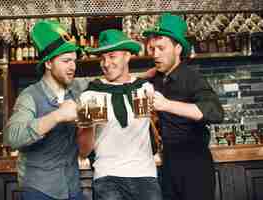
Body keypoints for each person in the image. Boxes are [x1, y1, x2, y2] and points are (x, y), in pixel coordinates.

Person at [142, 13, 224, 200]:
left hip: (194, 166)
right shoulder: (157, 78)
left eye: (161, 48)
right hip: (168, 166)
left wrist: (167, 105)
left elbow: (215, 112)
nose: (155, 54)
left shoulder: (191, 77)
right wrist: (145, 75)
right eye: (152, 48)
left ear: (178, 48)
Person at [3, 20, 85, 200]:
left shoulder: (77, 89)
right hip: (40, 190)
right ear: (48, 63)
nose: (73, 66)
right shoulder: (30, 96)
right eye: (66, 61)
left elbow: (104, 82)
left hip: (72, 188)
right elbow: (12, 137)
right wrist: (57, 116)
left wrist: (142, 75)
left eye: (74, 60)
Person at [77, 29, 162, 200]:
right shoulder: (93, 94)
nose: (106, 63)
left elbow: (144, 126)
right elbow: (84, 152)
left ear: (127, 56)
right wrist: (88, 126)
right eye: (102, 58)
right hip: (108, 177)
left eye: (112, 56)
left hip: (145, 176)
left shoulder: (143, 89)